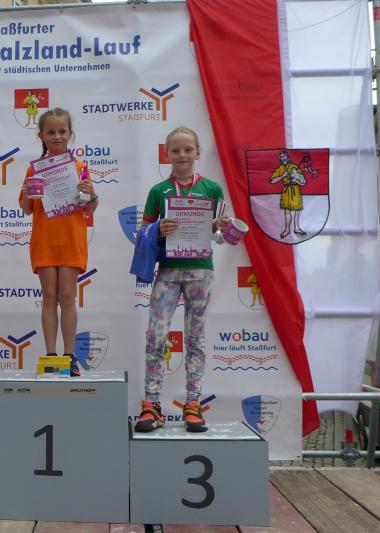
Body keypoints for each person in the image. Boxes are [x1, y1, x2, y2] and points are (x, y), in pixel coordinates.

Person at [134, 126, 229, 433]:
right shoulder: (158, 191)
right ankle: (152, 404)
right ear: (167, 154)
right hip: (168, 270)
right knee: (156, 335)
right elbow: (141, 234)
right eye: (175, 150)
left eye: (188, 149)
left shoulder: (212, 189)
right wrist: (158, 230)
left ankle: (193, 405)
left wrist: (218, 226)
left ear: (198, 152)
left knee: (195, 338)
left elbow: (221, 237)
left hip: (201, 270)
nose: (182, 155)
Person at [19, 108, 98, 376]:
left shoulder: (80, 168)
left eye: (62, 131)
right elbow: (26, 208)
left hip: (71, 240)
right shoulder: (34, 169)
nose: (57, 136)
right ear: (41, 135)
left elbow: (89, 208)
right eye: (51, 132)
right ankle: (51, 356)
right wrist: (29, 193)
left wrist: (91, 194)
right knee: (49, 297)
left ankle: (69, 356)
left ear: (70, 134)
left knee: (67, 296)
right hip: (45, 240)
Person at [269, 149, 307, 238]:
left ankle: (297, 228)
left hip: (295, 189)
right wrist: (283, 175)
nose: (283, 158)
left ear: (287, 157)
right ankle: (287, 229)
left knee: (297, 210)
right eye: (281, 157)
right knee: (287, 211)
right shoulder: (280, 169)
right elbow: (272, 180)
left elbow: (303, 182)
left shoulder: (294, 167)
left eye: (284, 156)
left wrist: (296, 180)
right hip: (286, 190)